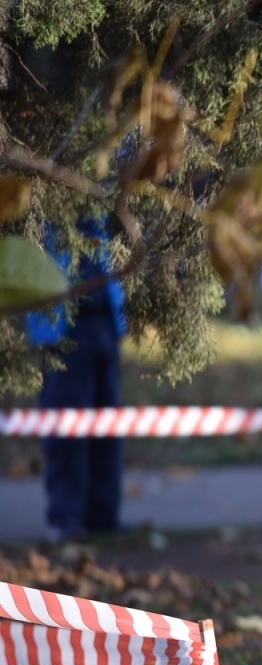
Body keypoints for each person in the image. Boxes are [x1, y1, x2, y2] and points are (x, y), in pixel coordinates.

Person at [26, 218, 127, 538]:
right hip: (61, 329)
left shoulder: (103, 201)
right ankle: (66, 517)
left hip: (104, 323)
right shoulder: (43, 203)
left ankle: (103, 515)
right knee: (66, 428)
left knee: (106, 426)